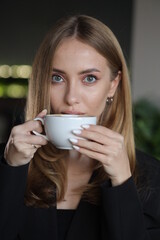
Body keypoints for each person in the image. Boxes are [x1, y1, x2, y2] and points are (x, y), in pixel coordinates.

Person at [0, 15, 160, 240]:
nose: (71, 97)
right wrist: (12, 168)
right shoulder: (9, 163)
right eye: (57, 78)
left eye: (90, 79)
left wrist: (123, 182)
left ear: (113, 85)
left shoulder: (152, 177)